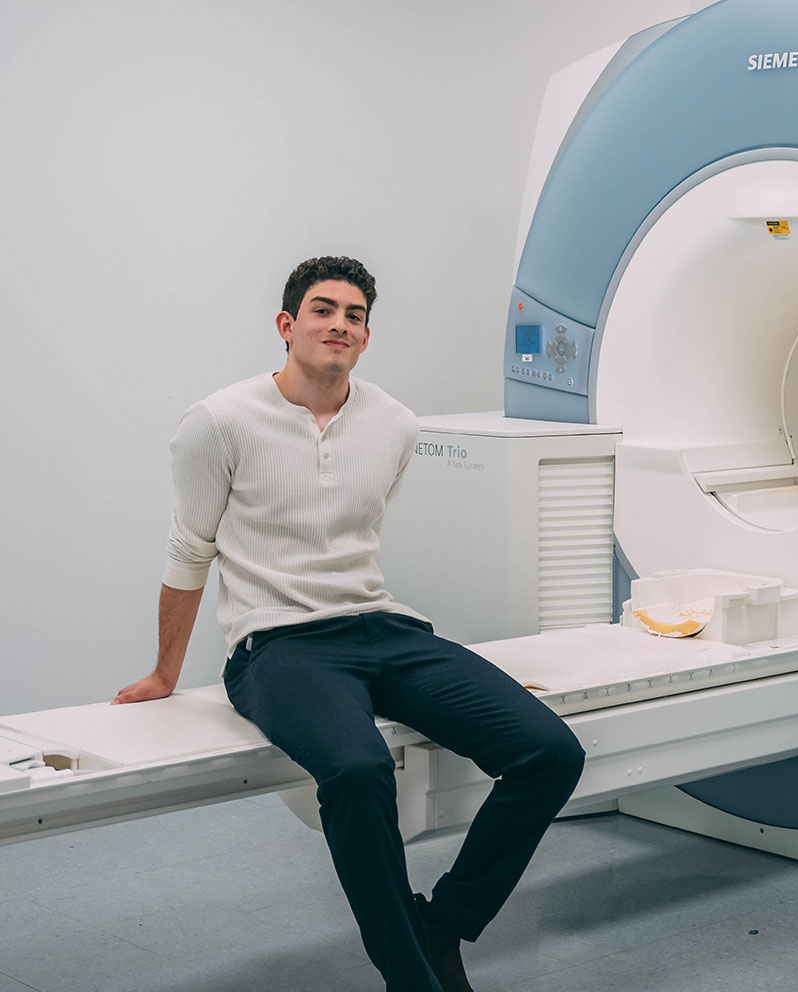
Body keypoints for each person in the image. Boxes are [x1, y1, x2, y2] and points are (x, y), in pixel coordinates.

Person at [113, 256, 586, 992]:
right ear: (287, 325)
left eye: (355, 314)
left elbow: (355, 535)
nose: (339, 323)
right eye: (323, 309)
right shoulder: (218, 421)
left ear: (366, 336)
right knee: (359, 768)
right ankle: (411, 976)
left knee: (551, 751)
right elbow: (190, 547)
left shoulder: (394, 423)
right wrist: (165, 672)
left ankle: (443, 924)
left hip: (383, 628)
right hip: (277, 645)